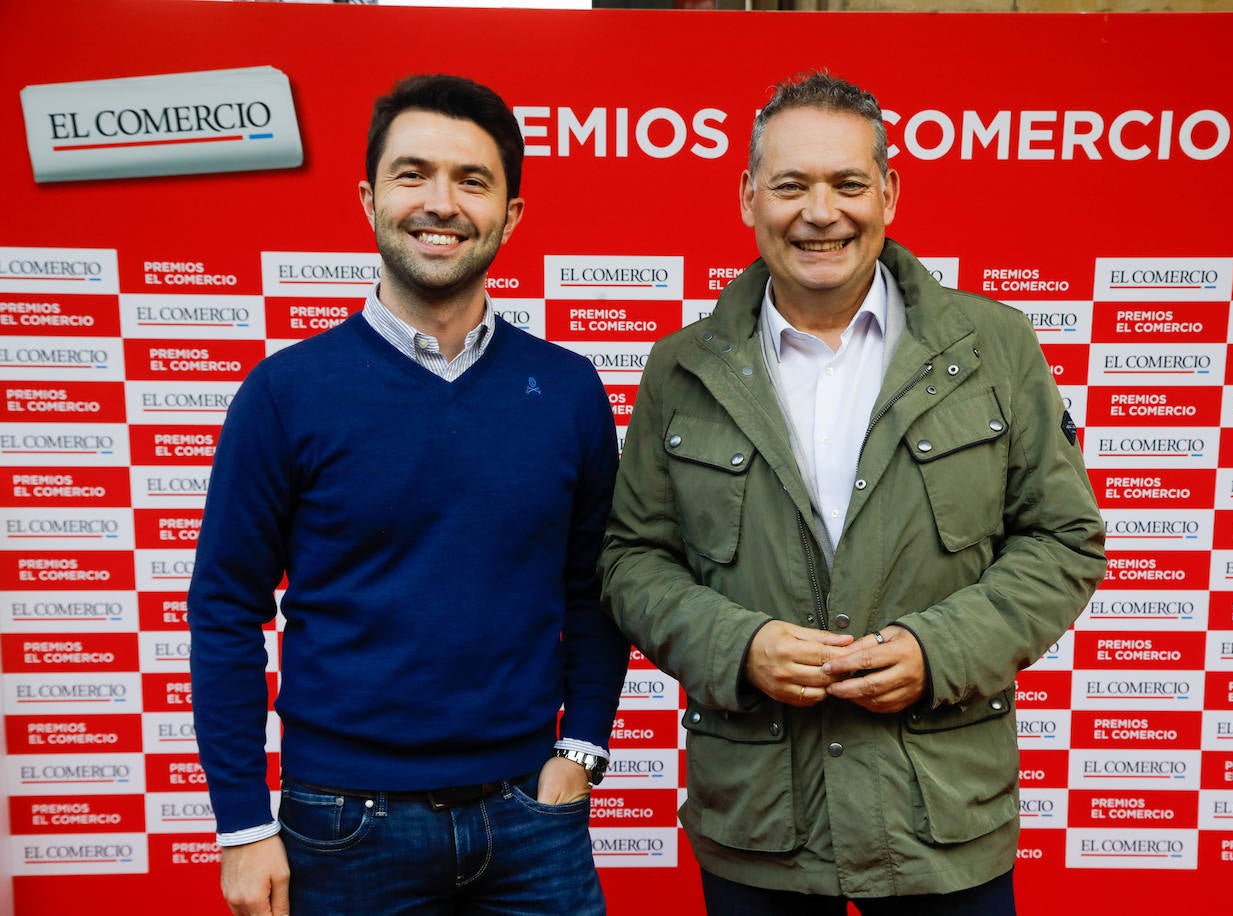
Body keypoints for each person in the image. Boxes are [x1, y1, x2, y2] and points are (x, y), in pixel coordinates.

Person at [599, 71, 1106, 915]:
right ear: (749, 196)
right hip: (762, 821)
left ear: (890, 194)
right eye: (792, 185)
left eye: (847, 183)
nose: (820, 212)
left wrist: (940, 650)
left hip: (940, 816)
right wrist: (739, 645)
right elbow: (630, 560)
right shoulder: (684, 368)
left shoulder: (994, 346)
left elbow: (1063, 540)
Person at [189, 73, 629, 916]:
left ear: (512, 213)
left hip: (533, 820)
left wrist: (582, 750)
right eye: (413, 173)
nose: (441, 202)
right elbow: (224, 609)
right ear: (369, 199)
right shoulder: (285, 393)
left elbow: (597, 587)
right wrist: (242, 828)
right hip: (342, 828)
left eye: (473, 180)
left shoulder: (568, 390)